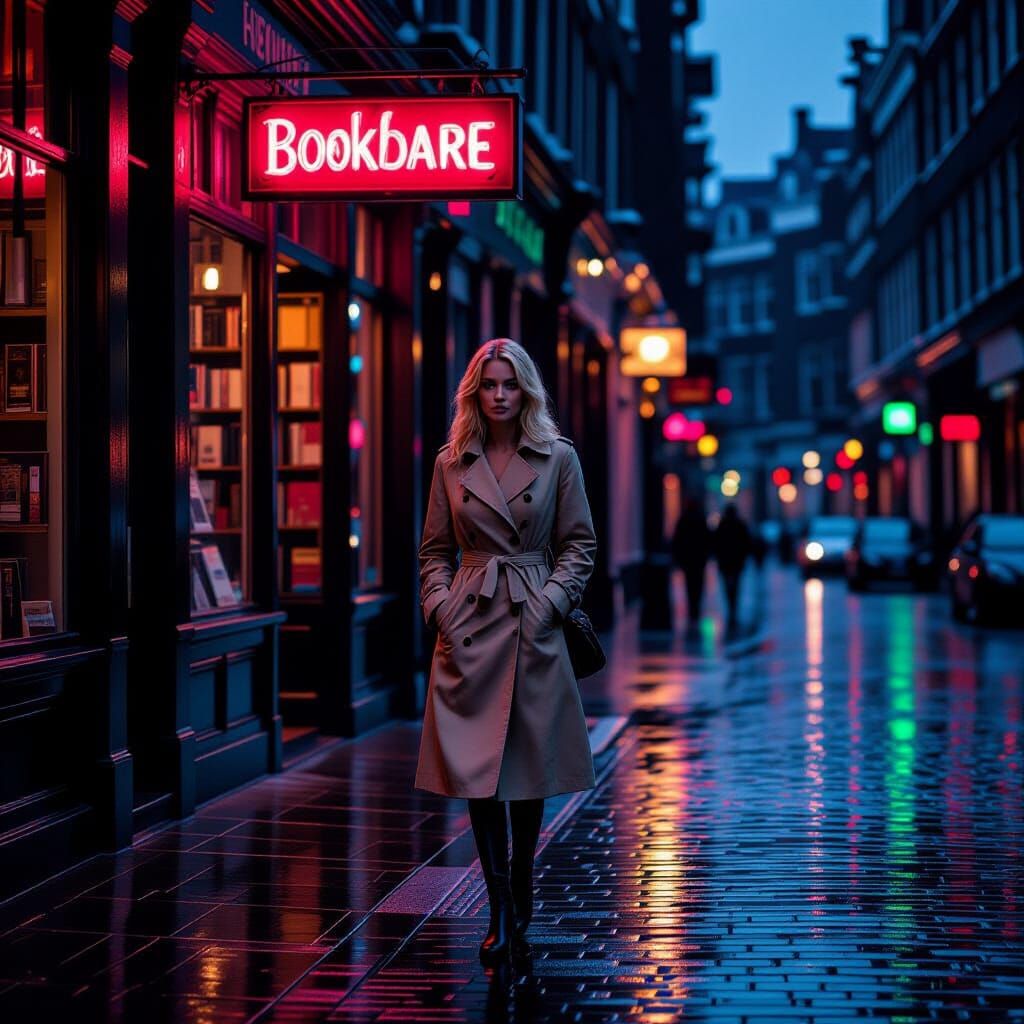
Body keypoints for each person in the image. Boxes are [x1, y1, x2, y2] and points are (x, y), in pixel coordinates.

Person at [415, 338, 598, 968]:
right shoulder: (451, 461)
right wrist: (440, 604)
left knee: (527, 775)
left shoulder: (557, 458)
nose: (499, 395)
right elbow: (434, 549)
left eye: (510, 385)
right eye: (489, 385)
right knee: (477, 776)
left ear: (526, 392)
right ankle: (497, 910)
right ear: (474, 391)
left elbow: (579, 544)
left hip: (532, 624)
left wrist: (548, 604)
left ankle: (522, 894)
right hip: (468, 626)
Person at [671, 498, 712, 625]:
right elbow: (707, 539)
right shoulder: (701, 520)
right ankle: (695, 608)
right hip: (698, 559)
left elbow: (677, 540)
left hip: (688, 559)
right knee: (698, 584)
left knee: (690, 583)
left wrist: (678, 557)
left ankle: (692, 608)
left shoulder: (683, 520)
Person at [712, 504, 752, 626]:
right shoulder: (739, 525)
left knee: (728, 587)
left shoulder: (722, 525)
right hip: (735, 562)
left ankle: (732, 609)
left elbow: (716, 544)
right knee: (735, 587)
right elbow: (747, 543)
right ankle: (733, 609)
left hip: (727, 562)